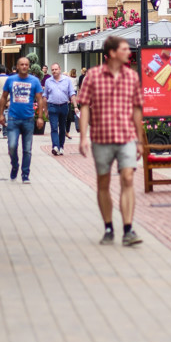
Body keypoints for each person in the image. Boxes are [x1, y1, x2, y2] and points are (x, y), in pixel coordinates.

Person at [78, 35, 143, 246]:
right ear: (113, 53)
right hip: (102, 137)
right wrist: (83, 137)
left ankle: (128, 229)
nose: (129, 52)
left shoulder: (132, 77)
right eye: (125, 49)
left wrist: (140, 141)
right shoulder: (93, 76)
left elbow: (137, 109)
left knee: (128, 179)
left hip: (126, 137)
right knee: (103, 183)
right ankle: (108, 227)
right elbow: (85, 105)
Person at [0, 56, 45, 182]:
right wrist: (1, 114)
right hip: (13, 119)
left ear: (28, 66)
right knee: (12, 146)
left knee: (27, 149)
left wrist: (40, 117)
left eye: (26, 64)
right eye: (22, 64)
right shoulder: (11, 80)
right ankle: (15, 165)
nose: (24, 66)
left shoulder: (34, 81)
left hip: (28, 120)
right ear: (17, 66)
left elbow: (40, 99)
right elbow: (3, 97)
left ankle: (25, 174)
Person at [44, 63, 75, 155]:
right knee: (53, 128)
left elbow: (72, 93)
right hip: (52, 106)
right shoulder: (48, 81)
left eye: (56, 69)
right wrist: (45, 110)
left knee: (62, 128)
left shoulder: (67, 80)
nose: (54, 71)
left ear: (60, 69)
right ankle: (55, 146)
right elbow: (45, 96)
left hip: (64, 106)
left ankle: (61, 146)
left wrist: (76, 106)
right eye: (52, 70)